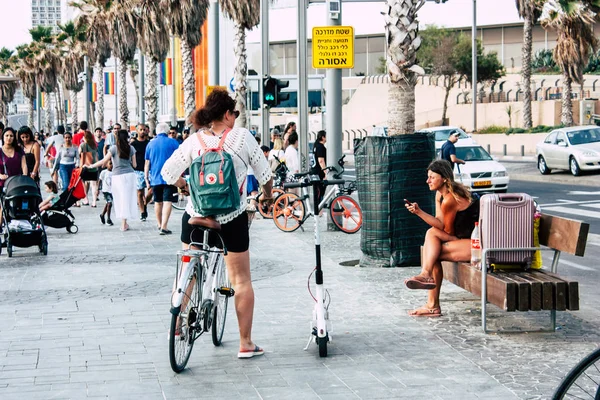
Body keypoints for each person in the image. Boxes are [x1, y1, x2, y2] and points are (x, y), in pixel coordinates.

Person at [161, 88, 274, 358]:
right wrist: (267, 197)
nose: (235, 117)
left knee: (185, 272)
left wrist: (184, 185)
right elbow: (265, 174)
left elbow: (167, 173)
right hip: (230, 221)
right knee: (241, 280)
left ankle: (176, 322)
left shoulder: (194, 141)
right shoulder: (242, 137)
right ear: (227, 114)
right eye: (234, 113)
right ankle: (245, 343)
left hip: (195, 218)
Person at [404, 160, 479, 317]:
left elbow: (447, 231)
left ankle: (431, 301)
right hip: (465, 239)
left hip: (478, 244)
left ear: (444, 178)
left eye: (432, 177)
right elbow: (440, 222)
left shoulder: (450, 199)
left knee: (433, 250)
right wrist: (419, 212)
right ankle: (427, 283)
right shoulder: (441, 194)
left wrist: (420, 214)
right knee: (432, 238)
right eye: (428, 177)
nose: (428, 181)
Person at [88, 129, 137, 231]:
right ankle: (125, 223)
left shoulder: (114, 148)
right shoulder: (131, 148)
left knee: (120, 199)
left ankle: (123, 224)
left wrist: (91, 165)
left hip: (118, 176)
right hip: (130, 175)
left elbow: (103, 161)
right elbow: (135, 165)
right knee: (127, 198)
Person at [145, 122, 180, 235]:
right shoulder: (174, 143)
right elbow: (179, 159)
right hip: (170, 176)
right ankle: (164, 226)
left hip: (155, 177)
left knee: (158, 201)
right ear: (167, 131)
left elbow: (147, 163)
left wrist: (146, 178)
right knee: (168, 200)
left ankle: (159, 224)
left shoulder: (150, 144)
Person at [0, 127, 27, 228]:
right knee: (2, 205)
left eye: (11, 136)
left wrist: (25, 178)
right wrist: (0, 175)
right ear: (3, 137)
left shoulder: (19, 150)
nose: (9, 138)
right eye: (6, 136)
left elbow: (24, 165)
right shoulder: (0, 151)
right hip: (3, 183)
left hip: (17, 182)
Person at [131, 123, 151, 221]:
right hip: (138, 170)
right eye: (141, 129)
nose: (143, 131)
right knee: (139, 192)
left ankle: (145, 203)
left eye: (144, 129)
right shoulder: (133, 144)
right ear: (137, 131)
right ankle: (142, 212)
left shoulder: (149, 143)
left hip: (150, 170)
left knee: (152, 189)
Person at [79, 130, 99, 207]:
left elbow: (79, 153)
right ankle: (94, 202)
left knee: (84, 183)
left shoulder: (83, 145)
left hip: (85, 167)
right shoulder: (94, 145)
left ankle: (86, 199)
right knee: (94, 185)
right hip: (94, 166)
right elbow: (96, 156)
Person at [311, 130, 327, 203]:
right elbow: (321, 160)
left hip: (315, 170)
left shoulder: (315, 145)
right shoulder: (320, 147)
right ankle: (318, 211)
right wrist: (325, 171)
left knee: (317, 192)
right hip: (319, 172)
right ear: (323, 137)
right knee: (320, 192)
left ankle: (318, 211)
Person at [98, 159, 114, 226]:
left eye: (113, 164)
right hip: (106, 191)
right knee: (109, 204)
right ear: (106, 165)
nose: (112, 165)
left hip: (112, 191)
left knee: (108, 204)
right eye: (110, 164)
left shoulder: (115, 172)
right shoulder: (104, 172)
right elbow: (100, 180)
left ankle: (102, 214)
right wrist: (98, 189)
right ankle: (108, 219)